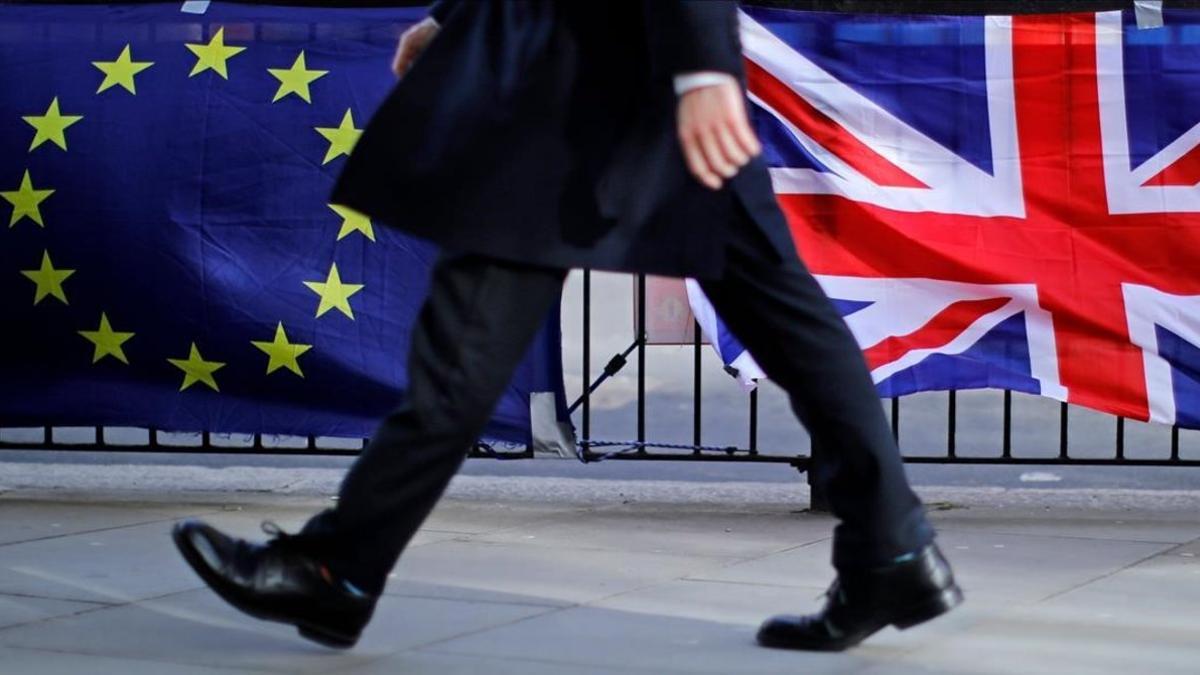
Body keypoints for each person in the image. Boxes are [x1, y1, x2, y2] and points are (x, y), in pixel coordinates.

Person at [173, 0, 961, 652]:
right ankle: (889, 547)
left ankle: (338, 569)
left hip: (584, 78)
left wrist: (703, 65)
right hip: (618, 68)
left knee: (470, 350)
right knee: (786, 316)